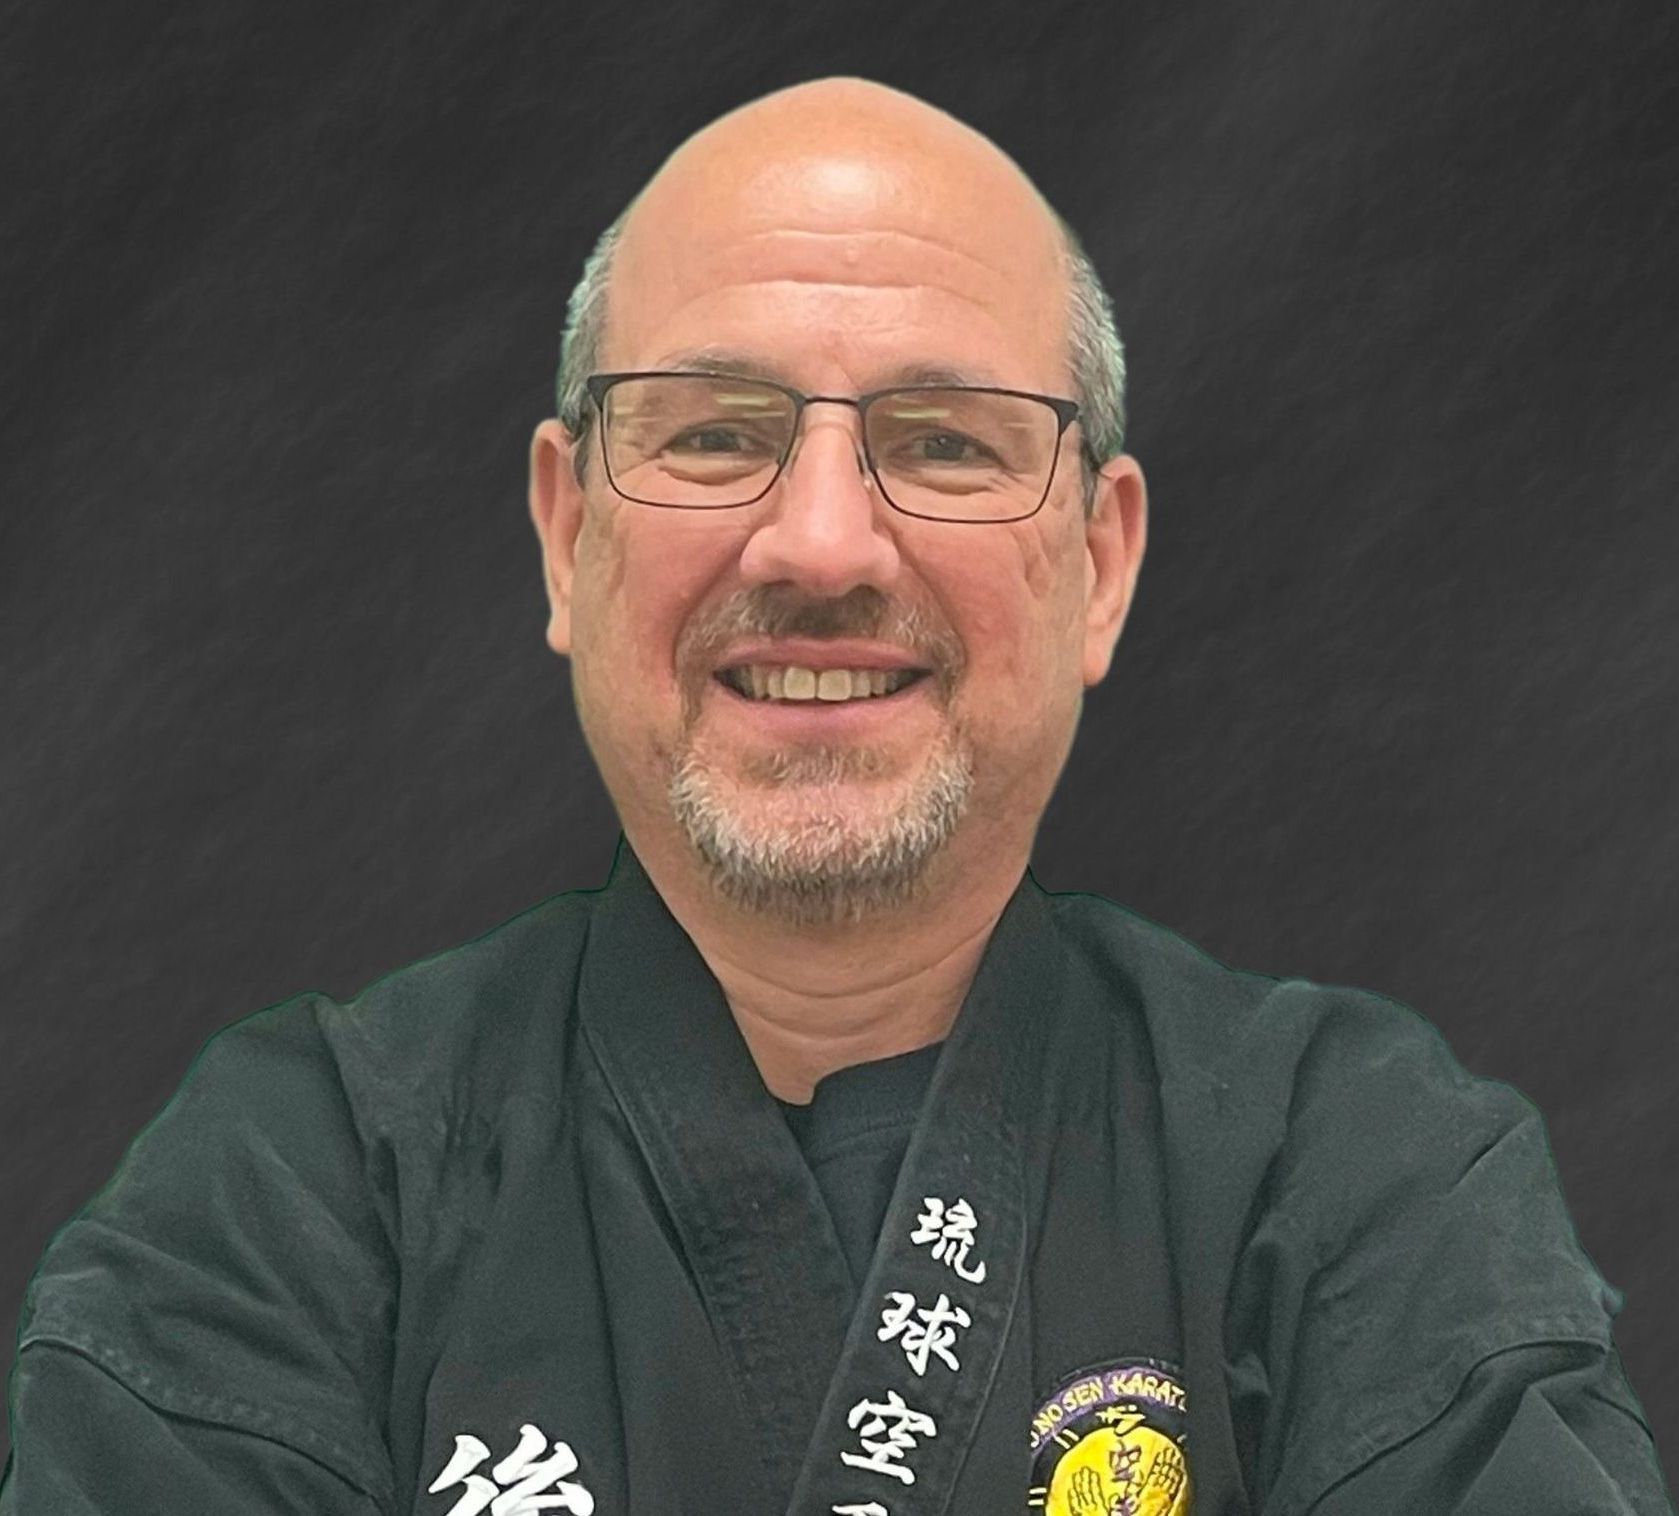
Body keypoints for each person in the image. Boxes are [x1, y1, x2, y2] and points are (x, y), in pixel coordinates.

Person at [0, 74, 1669, 1516]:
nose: (817, 542)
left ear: (1100, 562)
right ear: (565, 529)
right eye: (714, 433)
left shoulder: (1358, 1172)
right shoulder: (286, 1191)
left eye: (945, 442)